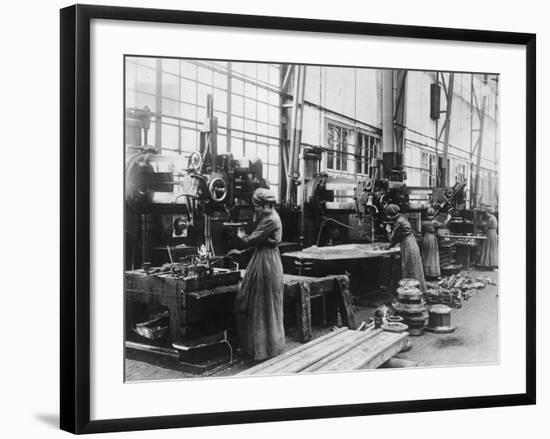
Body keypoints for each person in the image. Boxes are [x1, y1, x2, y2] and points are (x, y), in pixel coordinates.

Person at [231, 188, 285, 360]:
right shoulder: (272, 216)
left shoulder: (270, 220)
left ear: (265, 205)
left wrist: (241, 235)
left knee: (259, 304)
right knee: (263, 305)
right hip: (265, 258)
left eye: (257, 207)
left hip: (266, 264)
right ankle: (263, 347)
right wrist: (242, 252)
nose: (256, 210)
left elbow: (253, 239)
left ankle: (262, 349)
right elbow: (261, 243)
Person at [385, 204, 427, 293]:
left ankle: (411, 292)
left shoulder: (399, 222)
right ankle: (418, 290)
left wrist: (388, 231)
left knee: (410, 267)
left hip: (408, 244)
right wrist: (390, 246)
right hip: (411, 242)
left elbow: (393, 238)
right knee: (414, 267)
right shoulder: (403, 219)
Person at [421, 207, 453, 279]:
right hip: (432, 238)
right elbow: (444, 225)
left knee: (426, 255)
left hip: (426, 237)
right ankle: (433, 273)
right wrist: (448, 217)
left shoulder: (423, 222)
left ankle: (426, 273)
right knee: (433, 255)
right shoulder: (434, 222)